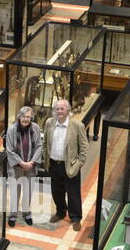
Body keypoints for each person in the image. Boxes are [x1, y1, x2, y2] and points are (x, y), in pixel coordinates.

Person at [43, 99, 88, 231]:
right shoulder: (49, 123)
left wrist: (79, 163)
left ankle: (75, 218)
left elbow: (84, 147)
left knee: (73, 193)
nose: (60, 111)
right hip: (54, 165)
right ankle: (61, 212)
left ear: (68, 110)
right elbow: (45, 142)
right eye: (57, 109)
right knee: (56, 191)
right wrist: (46, 159)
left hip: (70, 166)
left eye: (62, 109)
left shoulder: (77, 126)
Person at [6, 106, 42, 228]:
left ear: (31, 118)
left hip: (31, 166)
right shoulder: (11, 130)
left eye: (28, 117)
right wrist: (21, 163)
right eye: (23, 116)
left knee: (28, 191)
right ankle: (13, 215)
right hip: (16, 167)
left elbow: (39, 146)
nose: (26, 119)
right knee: (15, 192)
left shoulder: (36, 128)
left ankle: (26, 214)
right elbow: (9, 150)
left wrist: (31, 162)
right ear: (19, 117)